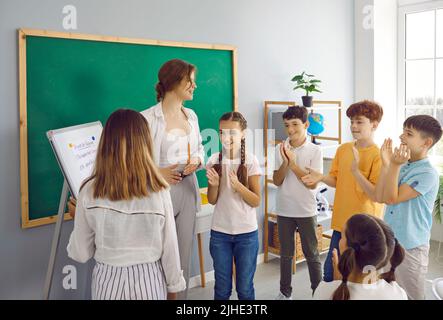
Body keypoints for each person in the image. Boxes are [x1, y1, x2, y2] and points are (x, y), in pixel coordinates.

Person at [67, 109, 185, 300]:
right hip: (150, 282)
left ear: (105, 144)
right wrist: (173, 288)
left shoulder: (89, 190)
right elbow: (170, 246)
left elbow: (80, 253)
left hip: (107, 282)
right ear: (145, 145)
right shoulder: (159, 190)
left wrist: (78, 217)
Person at [141, 59, 204, 299]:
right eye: (190, 81)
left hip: (188, 189)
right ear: (174, 81)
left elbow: (199, 148)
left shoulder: (192, 116)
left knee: (183, 254)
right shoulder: (146, 119)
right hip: (158, 191)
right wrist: (158, 172)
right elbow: (135, 164)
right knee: (159, 254)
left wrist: (197, 161)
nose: (194, 86)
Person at [302, 100, 384, 282]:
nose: (353, 126)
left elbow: (375, 194)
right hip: (341, 224)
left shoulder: (378, 156)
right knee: (330, 275)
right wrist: (321, 177)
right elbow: (336, 180)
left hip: (364, 229)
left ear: (374, 124)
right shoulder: (343, 149)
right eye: (351, 121)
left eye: (359, 122)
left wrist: (356, 171)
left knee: (360, 279)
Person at [377, 115, 442, 299]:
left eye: (408, 133)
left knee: (411, 295)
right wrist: (387, 164)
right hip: (389, 241)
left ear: (426, 143)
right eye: (403, 131)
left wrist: (394, 165)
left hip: (411, 247)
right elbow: (382, 196)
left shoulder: (427, 172)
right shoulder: (402, 165)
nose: (401, 137)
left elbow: (391, 198)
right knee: (387, 291)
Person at [206, 111, 262, 300]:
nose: (225, 137)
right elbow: (212, 200)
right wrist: (213, 185)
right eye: (222, 132)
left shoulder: (251, 161)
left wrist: (239, 187)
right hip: (219, 233)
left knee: (245, 289)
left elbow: (256, 200)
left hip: (246, 234)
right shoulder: (214, 160)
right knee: (221, 289)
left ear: (243, 133)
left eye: (232, 132)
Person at [272, 106, 323, 299]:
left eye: (295, 124)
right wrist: (285, 162)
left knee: (312, 254)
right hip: (284, 209)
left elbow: (312, 184)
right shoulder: (280, 148)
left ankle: (317, 292)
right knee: (285, 255)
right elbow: (277, 181)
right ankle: (285, 293)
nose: (290, 130)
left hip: (306, 210)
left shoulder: (315, 150)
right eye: (287, 125)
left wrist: (293, 164)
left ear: (306, 125)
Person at [313, 214, 407, 300]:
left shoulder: (324, 292)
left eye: (341, 236)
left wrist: (337, 282)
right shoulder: (398, 294)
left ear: (347, 249)